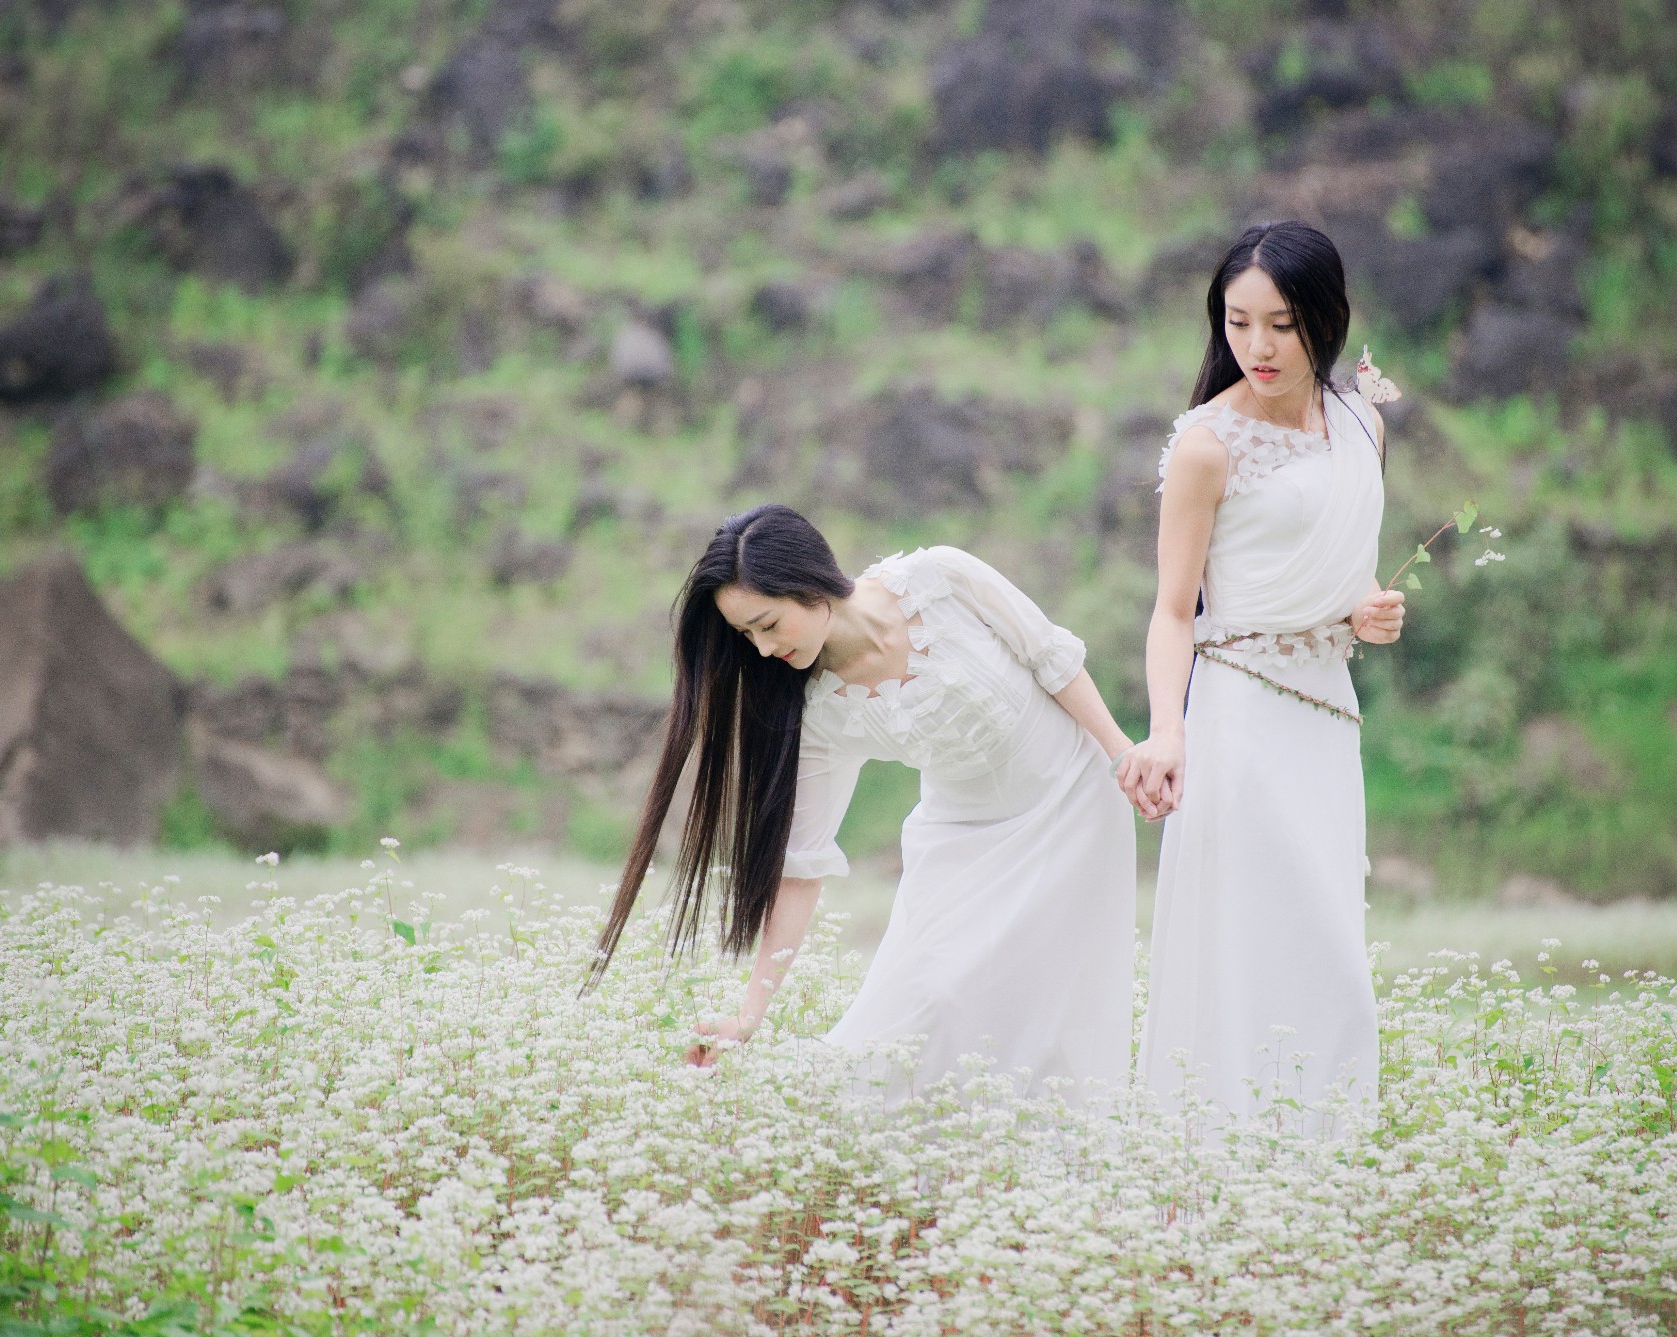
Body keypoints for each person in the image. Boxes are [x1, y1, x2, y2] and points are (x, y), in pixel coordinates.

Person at [592, 504, 1145, 1098]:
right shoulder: (817, 709)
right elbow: (800, 866)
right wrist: (747, 1018)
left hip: (1075, 801)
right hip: (962, 841)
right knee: (929, 1001)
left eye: (768, 624)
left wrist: (1123, 756)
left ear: (809, 586)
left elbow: (1051, 659)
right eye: (746, 635)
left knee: (1057, 1004)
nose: (759, 649)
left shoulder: (941, 580)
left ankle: (1053, 1160)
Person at [1115, 220, 1406, 1128]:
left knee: (1328, 952)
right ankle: (1218, 1169)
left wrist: (1365, 607)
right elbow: (1174, 609)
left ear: (1324, 316)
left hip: (1326, 715)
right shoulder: (1207, 444)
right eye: (1238, 323)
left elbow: (1338, 565)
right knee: (1248, 946)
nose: (1258, 347)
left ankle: (1322, 1165)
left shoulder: (1362, 420)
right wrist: (1169, 731)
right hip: (1237, 715)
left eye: (1280, 323)